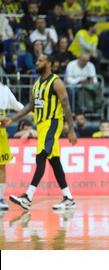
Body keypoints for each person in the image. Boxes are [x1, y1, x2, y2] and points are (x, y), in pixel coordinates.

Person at [0, 53, 78, 211]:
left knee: (41, 157)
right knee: (54, 161)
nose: (37, 62)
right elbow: (30, 106)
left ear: (49, 63)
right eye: (36, 60)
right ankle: (68, 197)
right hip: (41, 124)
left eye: (40, 60)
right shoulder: (36, 84)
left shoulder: (56, 83)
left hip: (52, 123)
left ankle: (28, 197)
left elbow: (66, 106)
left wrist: (71, 129)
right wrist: (12, 120)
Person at [0, 81, 24, 210]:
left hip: (1, 131)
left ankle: (0, 197)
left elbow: (17, 106)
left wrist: (34, 112)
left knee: (1, 166)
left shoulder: (4, 89)